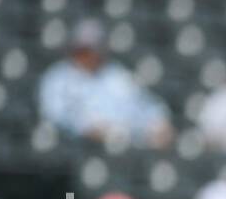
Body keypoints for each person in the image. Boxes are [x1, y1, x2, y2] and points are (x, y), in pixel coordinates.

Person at [38, 19, 173, 146]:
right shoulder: (58, 77)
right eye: (83, 49)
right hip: (78, 148)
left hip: (123, 146)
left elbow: (145, 107)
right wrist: (89, 129)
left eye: (91, 49)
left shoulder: (116, 75)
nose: (87, 55)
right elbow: (55, 115)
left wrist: (159, 124)